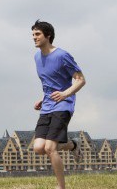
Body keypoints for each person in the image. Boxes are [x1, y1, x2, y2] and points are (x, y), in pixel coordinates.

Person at [31, 20, 85, 189]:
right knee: (39, 147)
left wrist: (65, 94)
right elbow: (49, 83)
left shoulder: (62, 55)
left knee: (50, 148)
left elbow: (81, 80)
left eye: (38, 34)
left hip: (63, 105)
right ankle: (73, 144)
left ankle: (61, 187)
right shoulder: (37, 57)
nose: (34, 37)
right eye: (33, 35)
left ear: (48, 36)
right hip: (47, 105)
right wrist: (43, 98)